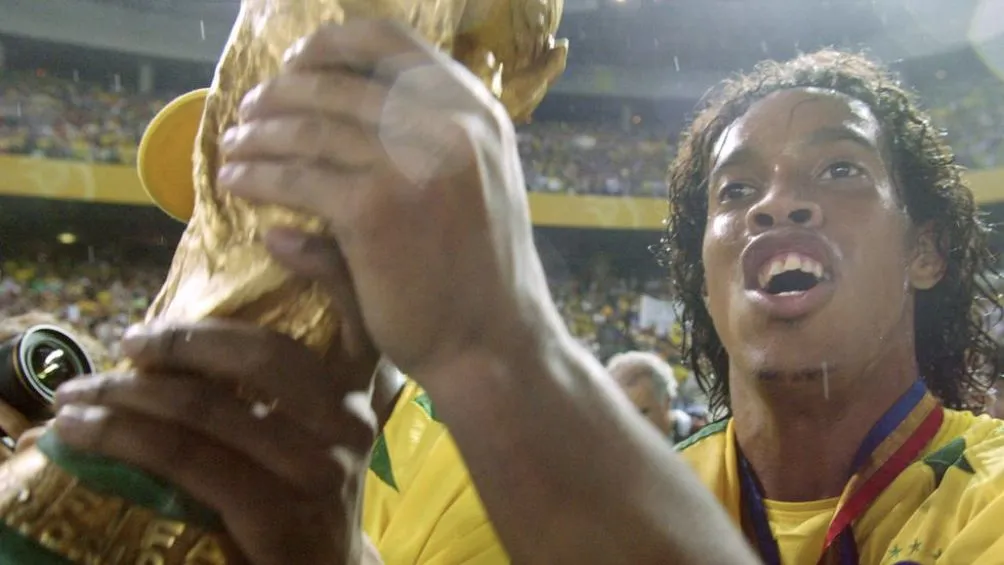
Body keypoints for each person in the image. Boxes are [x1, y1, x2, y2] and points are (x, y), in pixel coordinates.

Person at [607, 351, 692, 442]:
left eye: (642, 413)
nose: (632, 425)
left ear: (667, 402)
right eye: (622, 418)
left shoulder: (699, 438)